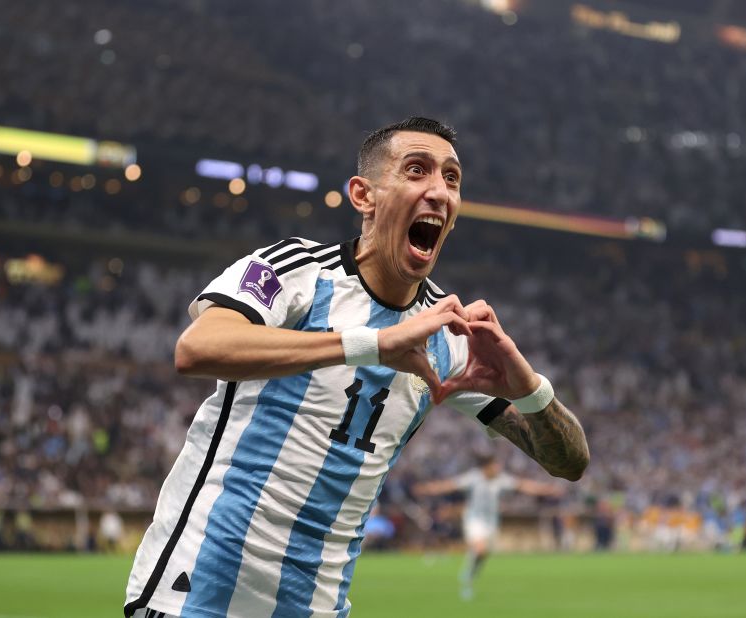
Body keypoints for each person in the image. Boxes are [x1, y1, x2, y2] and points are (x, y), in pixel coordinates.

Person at [124, 116, 590, 618]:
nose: (439, 191)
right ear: (363, 195)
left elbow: (569, 462)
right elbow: (197, 347)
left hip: (319, 606)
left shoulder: (447, 336)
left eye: (451, 178)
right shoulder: (298, 271)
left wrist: (529, 389)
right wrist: (371, 344)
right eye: (417, 170)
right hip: (197, 593)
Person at [414, 453, 564, 600]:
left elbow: (522, 485)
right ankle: (467, 577)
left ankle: (470, 572)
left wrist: (546, 490)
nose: (497, 468)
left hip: (491, 522)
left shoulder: (501, 480)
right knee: (480, 548)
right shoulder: (473, 477)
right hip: (474, 519)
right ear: (486, 467)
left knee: (483, 553)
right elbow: (450, 485)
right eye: (494, 465)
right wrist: (429, 489)